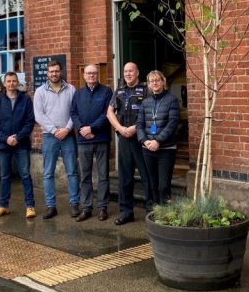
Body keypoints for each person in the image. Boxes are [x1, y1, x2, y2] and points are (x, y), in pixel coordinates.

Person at [33, 59, 81, 220]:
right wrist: (54, 131)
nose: (54, 74)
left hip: (68, 136)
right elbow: (39, 115)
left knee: (72, 172)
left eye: (56, 71)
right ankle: (50, 206)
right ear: (47, 73)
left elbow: (75, 111)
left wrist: (67, 129)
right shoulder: (40, 92)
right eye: (51, 71)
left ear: (61, 71)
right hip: (49, 136)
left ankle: (74, 204)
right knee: (48, 173)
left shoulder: (71, 89)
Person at [0, 72, 36, 219]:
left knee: (25, 175)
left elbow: (30, 122)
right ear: (4, 84)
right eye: (8, 81)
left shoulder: (26, 100)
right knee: (5, 176)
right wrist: (6, 138)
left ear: (17, 83)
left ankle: (30, 206)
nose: (11, 84)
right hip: (4, 145)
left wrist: (18, 137)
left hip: (21, 144)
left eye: (14, 81)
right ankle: (3, 206)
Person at [107, 62, 150, 224]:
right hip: (124, 139)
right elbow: (109, 112)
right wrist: (119, 128)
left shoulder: (146, 90)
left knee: (147, 176)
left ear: (137, 72)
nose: (128, 74)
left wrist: (134, 128)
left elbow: (149, 112)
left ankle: (151, 210)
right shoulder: (119, 91)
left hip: (141, 139)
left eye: (131, 71)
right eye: (125, 71)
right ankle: (126, 211)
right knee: (125, 177)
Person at [71, 64, 113, 222]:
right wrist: (82, 128)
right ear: (84, 75)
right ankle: (86, 208)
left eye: (94, 73)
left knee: (103, 175)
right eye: (88, 73)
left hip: (101, 138)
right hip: (83, 140)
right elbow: (73, 113)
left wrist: (92, 128)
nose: (91, 75)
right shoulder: (78, 93)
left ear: (98, 75)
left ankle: (102, 207)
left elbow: (107, 114)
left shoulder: (106, 91)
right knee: (85, 176)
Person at [137, 70, 180, 205]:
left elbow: (172, 123)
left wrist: (158, 141)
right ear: (148, 84)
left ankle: (166, 215)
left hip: (166, 149)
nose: (154, 83)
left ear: (163, 82)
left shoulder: (172, 100)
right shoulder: (145, 102)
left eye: (157, 80)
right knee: (152, 184)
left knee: (163, 186)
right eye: (151, 81)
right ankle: (156, 213)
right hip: (147, 149)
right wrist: (145, 140)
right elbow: (139, 124)